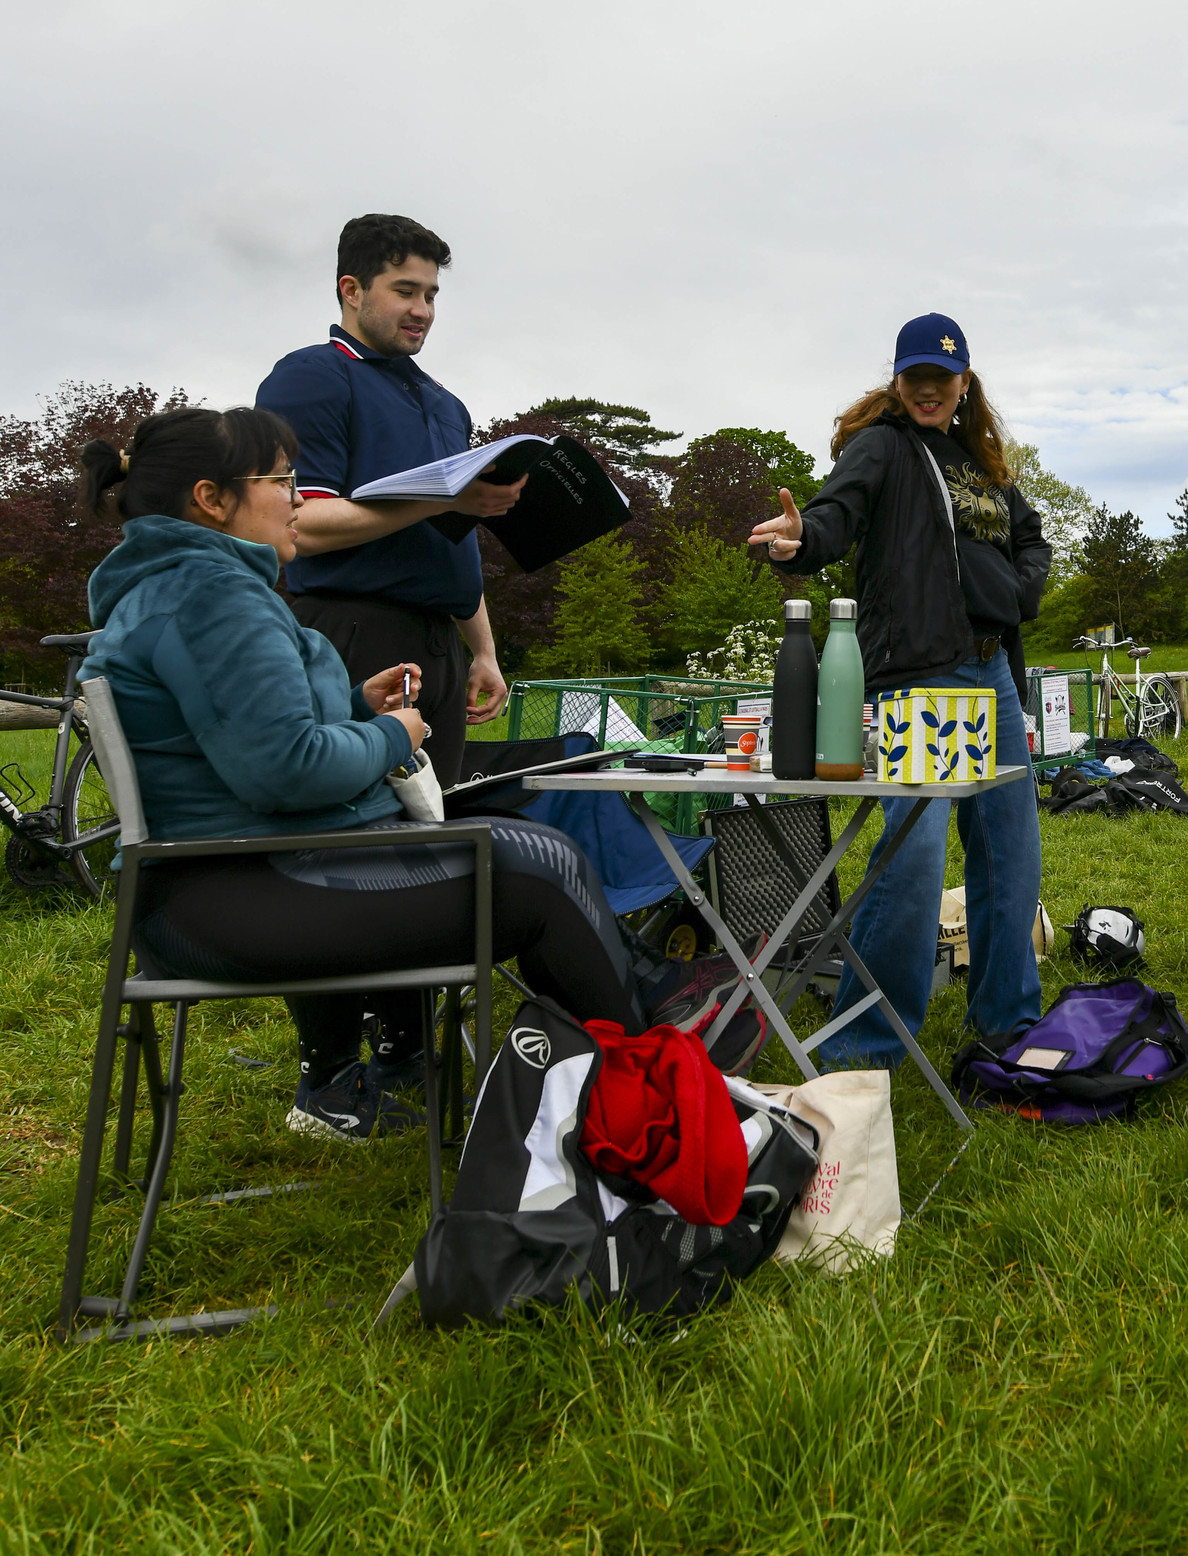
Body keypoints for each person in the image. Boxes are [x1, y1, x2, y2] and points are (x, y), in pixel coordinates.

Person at [78, 407, 655, 1144]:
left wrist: (353, 704)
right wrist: (392, 733)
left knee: (522, 850)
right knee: (541, 870)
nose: (299, 499)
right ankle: (651, 1098)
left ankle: (620, 1085)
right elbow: (286, 771)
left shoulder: (178, 587)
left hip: (212, 884)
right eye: (284, 481)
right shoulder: (212, 595)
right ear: (211, 499)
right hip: (233, 897)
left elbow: (236, 737)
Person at [748, 314, 1050, 1065]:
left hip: (993, 674)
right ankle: (866, 1044)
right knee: (912, 858)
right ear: (898, 380)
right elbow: (833, 515)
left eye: (941, 379)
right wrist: (802, 539)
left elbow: (1032, 538)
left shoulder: (982, 466)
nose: (927, 390)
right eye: (914, 377)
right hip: (924, 673)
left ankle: (1009, 1021)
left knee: (1011, 853)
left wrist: (1019, 591)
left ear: (963, 383)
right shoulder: (881, 448)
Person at [256, 214, 519, 792]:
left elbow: (452, 535)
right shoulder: (312, 375)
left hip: (440, 647)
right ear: (351, 290)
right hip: (352, 633)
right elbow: (300, 522)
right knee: (359, 830)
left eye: (430, 294)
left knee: (434, 826)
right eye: (404, 290)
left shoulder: (446, 404)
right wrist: (435, 501)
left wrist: (484, 652)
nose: (422, 309)